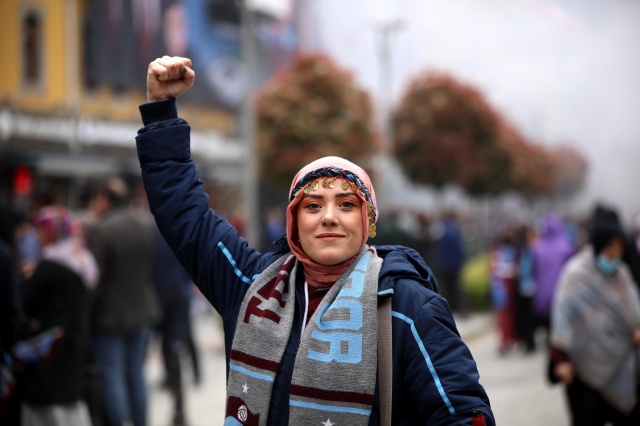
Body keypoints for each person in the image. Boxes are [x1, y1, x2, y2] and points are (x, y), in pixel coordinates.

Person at [136, 55, 494, 425]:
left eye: (345, 204)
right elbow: (185, 214)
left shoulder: (406, 306)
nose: (328, 217)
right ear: (293, 222)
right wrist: (162, 113)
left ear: (367, 221)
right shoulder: (250, 286)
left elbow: (463, 413)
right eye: (312, 205)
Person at [550, 205, 640, 425]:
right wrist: (560, 360)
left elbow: (634, 312)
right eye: (610, 247)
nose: (615, 254)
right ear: (599, 244)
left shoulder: (623, 275)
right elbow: (562, 319)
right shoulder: (576, 276)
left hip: (622, 366)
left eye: (619, 247)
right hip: (584, 371)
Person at [85, 178, 160, 426]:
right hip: (143, 309)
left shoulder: (103, 229)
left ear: (105, 200)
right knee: (136, 374)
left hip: (111, 315)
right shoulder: (145, 224)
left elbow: (95, 276)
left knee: (112, 375)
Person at [18, 205, 97, 426]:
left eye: (39, 230)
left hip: (52, 352)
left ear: (50, 232)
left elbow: (25, 300)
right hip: (74, 344)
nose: (36, 236)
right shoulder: (81, 258)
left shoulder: (50, 265)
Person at [530, 212, 573, 344]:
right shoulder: (566, 247)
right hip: (560, 294)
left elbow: (533, 270)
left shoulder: (537, 248)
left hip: (542, 296)